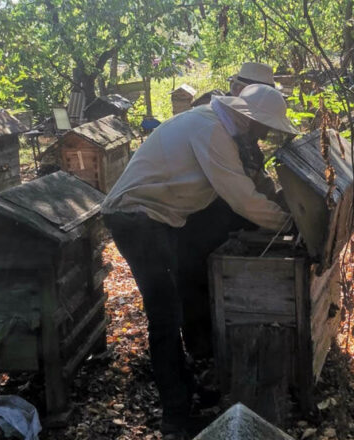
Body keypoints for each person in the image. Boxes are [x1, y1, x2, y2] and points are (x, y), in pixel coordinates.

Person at [101, 84, 298, 439]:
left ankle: (191, 384)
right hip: (137, 218)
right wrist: (290, 223)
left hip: (158, 218)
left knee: (184, 294)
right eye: (267, 127)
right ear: (250, 120)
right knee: (164, 317)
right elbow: (241, 199)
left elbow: (244, 190)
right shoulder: (211, 131)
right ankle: (175, 417)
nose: (268, 135)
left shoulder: (215, 125)